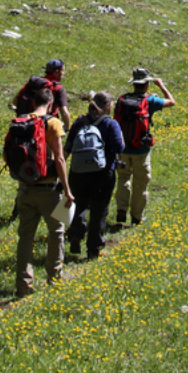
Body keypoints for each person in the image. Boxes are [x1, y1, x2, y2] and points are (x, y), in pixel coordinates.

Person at [13, 86, 73, 297]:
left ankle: (23, 285)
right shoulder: (53, 122)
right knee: (56, 232)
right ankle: (54, 277)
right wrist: (67, 190)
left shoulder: (20, 122)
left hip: (24, 188)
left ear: (32, 103)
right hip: (48, 188)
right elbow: (59, 158)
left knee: (25, 237)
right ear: (51, 104)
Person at [63, 92, 124, 259]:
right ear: (106, 107)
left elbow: (68, 146)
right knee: (99, 210)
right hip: (103, 174)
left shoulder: (79, 122)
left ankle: (75, 234)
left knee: (79, 204)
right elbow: (120, 147)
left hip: (78, 172)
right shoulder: (110, 124)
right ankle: (93, 249)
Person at [114, 68, 176, 226]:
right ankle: (136, 217)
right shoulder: (149, 101)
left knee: (123, 178)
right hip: (141, 149)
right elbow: (171, 101)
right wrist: (162, 86)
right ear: (146, 84)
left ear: (133, 83)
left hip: (122, 148)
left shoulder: (121, 100)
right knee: (140, 183)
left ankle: (121, 209)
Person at [43, 58, 71, 129]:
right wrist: (67, 129)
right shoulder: (58, 88)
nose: (63, 73)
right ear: (56, 72)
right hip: (49, 124)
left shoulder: (37, 82)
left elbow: (16, 101)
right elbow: (64, 113)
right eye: (62, 71)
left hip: (32, 121)